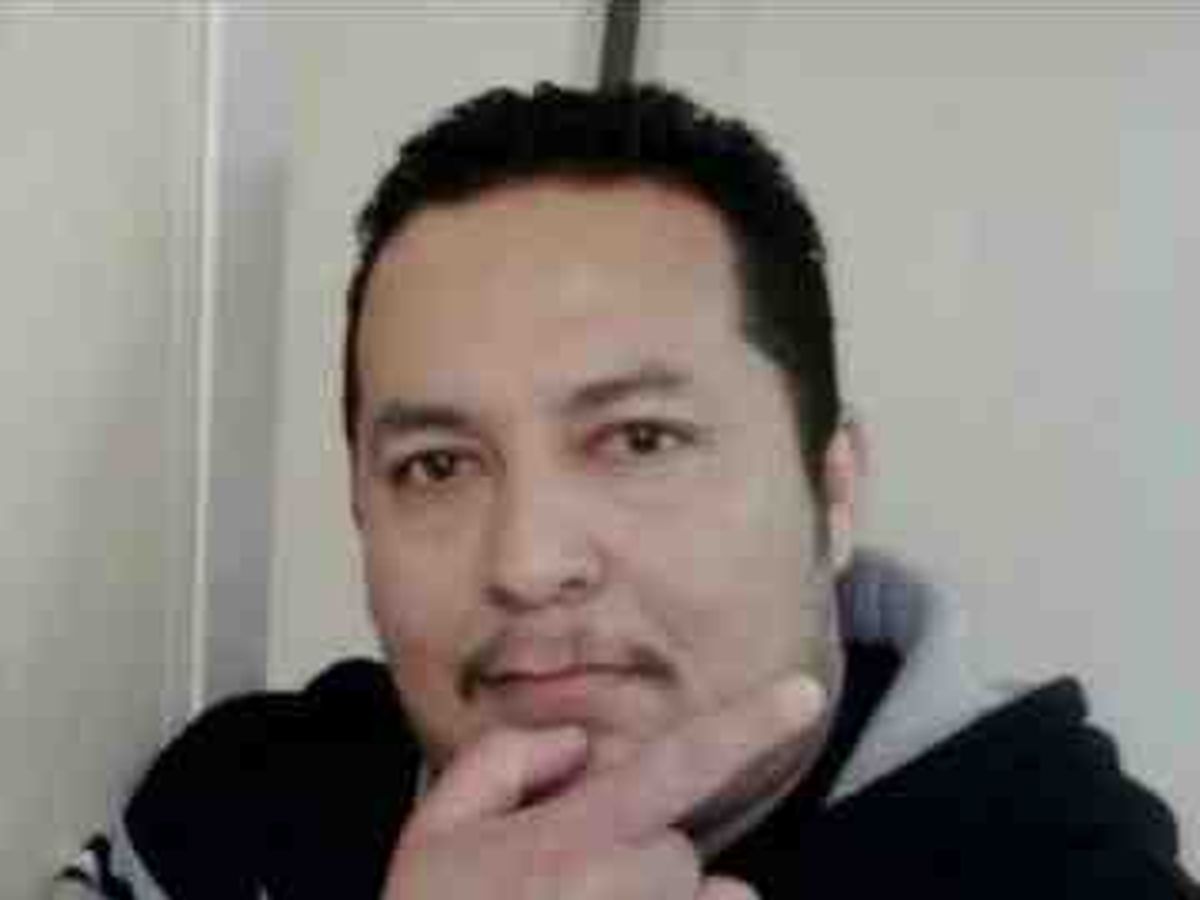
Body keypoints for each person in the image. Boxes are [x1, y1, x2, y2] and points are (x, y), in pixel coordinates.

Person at [59, 82, 1197, 900]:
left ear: (833, 488)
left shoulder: (1072, 871)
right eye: (437, 464)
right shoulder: (238, 808)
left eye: (641, 439)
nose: (527, 561)